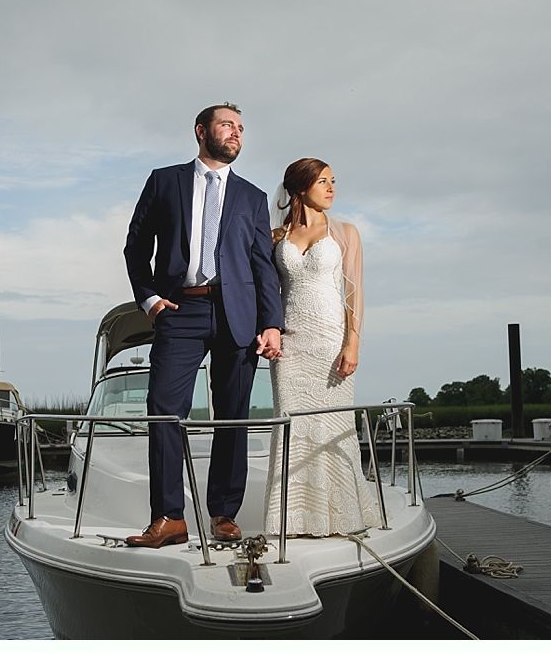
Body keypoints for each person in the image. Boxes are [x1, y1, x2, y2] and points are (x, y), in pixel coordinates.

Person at [122, 103, 284, 549]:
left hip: (239, 313)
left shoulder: (251, 197)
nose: (236, 134)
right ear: (201, 131)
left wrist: (272, 323)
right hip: (180, 310)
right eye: (227, 125)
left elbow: (263, 266)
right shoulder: (164, 181)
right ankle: (169, 517)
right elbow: (135, 247)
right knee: (163, 410)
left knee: (233, 417)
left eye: (241, 128)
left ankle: (224, 514)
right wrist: (151, 300)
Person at [263, 157, 381, 537]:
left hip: (331, 340)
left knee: (334, 425)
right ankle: (293, 521)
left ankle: (341, 516)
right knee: (292, 428)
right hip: (291, 345)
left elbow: (354, 291)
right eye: (322, 181)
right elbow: (266, 291)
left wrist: (353, 342)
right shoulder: (276, 237)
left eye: (333, 181)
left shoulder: (346, 232)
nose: (331, 188)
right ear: (300, 188)